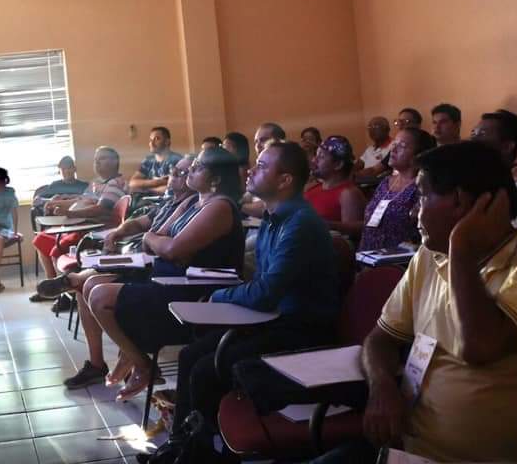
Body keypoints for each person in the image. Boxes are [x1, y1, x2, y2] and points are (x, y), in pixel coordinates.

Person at [162, 141, 340, 463]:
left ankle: (202, 454)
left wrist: (219, 296)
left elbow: (265, 292)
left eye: (262, 166)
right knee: (190, 354)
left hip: (302, 330)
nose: (251, 170)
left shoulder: (300, 223)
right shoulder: (273, 219)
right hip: (273, 319)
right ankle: (181, 446)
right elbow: (260, 285)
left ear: (284, 180)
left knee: (206, 370)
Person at [348, 142, 517, 463]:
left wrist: (461, 245)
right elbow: (380, 339)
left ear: (459, 201)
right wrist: (382, 386)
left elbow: (479, 347)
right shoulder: (429, 255)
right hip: (404, 446)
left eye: (422, 196)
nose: (413, 211)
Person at [50, 148, 245, 396]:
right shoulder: (192, 202)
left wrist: (160, 244)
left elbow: (171, 249)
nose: (190, 171)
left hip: (192, 293)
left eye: (198, 167)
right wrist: (159, 242)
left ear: (215, 180)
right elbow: (156, 236)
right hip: (165, 279)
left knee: (99, 297)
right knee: (90, 288)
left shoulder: (219, 207)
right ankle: (136, 360)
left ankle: (141, 363)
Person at [32, 154, 197, 383]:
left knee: (93, 288)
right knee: (85, 286)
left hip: (156, 272)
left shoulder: (195, 207)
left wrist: (147, 238)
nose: (173, 176)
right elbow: (140, 223)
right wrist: (118, 232)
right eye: (174, 172)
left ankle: (133, 360)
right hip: (140, 259)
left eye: (182, 173)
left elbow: (165, 244)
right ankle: (97, 363)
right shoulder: (169, 203)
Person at [33, 146, 127, 281]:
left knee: (56, 251)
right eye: (95, 159)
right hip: (80, 228)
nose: (97, 162)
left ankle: (63, 287)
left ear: (114, 162)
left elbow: (100, 209)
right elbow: (81, 200)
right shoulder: (97, 183)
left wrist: (70, 214)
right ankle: (52, 283)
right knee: (41, 239)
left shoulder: (115, 184)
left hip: (95, 233)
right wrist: (56, 203)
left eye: (102, 158)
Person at [359, 127, 435, 252]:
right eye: (394, 144)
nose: (393, 149)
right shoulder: (385, 183)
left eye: (401, 146)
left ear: (418, 155)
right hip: (367, 255)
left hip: (398, 259)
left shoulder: (422, 187)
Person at [305, 135, 366, 238]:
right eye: (316, 155)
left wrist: (328, 225)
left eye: (321, 157)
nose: (314, 160)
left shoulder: (348, 193)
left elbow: (351, 238)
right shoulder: (313, 188)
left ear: (338, 164)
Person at [472, 109, 517, 227]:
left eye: (482, 134)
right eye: (473, 134)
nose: (473, 140)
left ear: (507, 147)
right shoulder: (475, 182)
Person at [242, 123, 286, 218]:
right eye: (256, 142)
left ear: (279, 141)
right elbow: (246, 197)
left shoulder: (286, 167)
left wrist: (235, 206)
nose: (258, 145)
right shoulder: (257, 168)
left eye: (263, 140)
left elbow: (267, 207)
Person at [130, 126, 183, 196]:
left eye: (156, 139)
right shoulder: (148, 160)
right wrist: (160, 182)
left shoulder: (177, 160)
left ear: (167, 142)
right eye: (150, 140)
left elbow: (174, 188)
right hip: (148, 199)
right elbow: (133, 183)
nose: (151, 143)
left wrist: (146, 189)